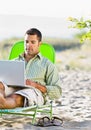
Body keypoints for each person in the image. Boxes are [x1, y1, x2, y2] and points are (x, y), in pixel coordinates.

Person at [0, 28, 62, 109]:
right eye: (26, 42)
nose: (28, 45)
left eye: (33, 42)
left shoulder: (47, 64)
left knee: (17, 97)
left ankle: (3, 103)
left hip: (33, 92)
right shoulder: (13, 62)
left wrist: (35, 85)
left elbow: (57, 92)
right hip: (11, 88)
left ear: (39, 44)